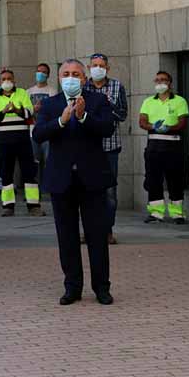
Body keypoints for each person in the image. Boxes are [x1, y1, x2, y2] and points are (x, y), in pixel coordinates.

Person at [33, 59, 116, 305]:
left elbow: (107, 128)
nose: (71, 77)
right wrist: (60, 120)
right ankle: (72, 287)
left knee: (97, 236)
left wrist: (83, 116)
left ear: (84, 77)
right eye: (66, 74)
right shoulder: (50, 104)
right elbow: (38, 134)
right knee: (66, 236)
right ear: (59, 77)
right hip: (62, 179)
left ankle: (102, 287)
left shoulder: (98, 101)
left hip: (92, 179)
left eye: (76, 74)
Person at [84, 53, 127, 244]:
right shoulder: (83, 86)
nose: (98, 68)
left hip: (110, 147)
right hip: (86, 146)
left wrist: (106, 106)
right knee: (86, 191)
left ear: (107, 68)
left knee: (109, 193)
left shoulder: (117, 86)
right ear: (88, 67)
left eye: (101, 65)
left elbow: (123, 114)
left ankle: (107, 230)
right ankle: (88, 231)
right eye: (94, 65)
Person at [138, 72, 189, 223]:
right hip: (154, 146)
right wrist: (153, 126)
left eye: (164, 80)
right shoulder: (148, 101)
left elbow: (182, 123)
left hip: (173, 146)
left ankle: (177, 214)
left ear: (170, 83)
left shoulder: (180, 101)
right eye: (158, 80)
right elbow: (142, 122)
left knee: (175, 180)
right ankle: (156, 213)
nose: (160, 83)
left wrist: (169, 128)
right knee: (153, 180)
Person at [0, 69, 42, 217]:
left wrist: (17, 110)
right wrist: (5, 111)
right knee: (6, 173)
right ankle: (8, 206)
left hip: (22, 140)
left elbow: (29, 112)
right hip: (4, 142)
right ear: (0, 82)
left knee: (29, 172)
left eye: (9, 79)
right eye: (3, 79)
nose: (6, 81)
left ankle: (33, 205)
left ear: (14, 81)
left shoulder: (22, 93)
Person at [28, 63, 58, 185]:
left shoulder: (52, 91)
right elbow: (24, 112)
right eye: (39, 71)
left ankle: (48, 185)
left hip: (47, 132)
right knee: (33, 160)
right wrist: (33, 109)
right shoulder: (28, 92)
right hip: (32, 131)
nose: (41, 74)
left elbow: (54, 110)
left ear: (48, 75)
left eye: (44, 72)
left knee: (48, 159)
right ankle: (34, 187)